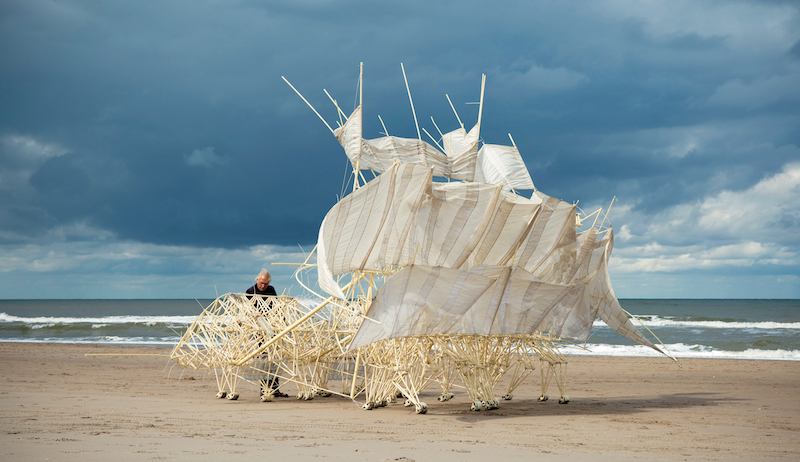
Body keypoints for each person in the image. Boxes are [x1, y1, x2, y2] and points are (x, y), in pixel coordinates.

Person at [245, 269, 288, 398]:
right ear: (257, 279)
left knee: (274, 359)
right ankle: (264, 389)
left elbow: (275, 306)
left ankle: (275, 389)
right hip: (259, 329)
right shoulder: (250, 292)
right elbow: (248, 311)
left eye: (265, 284)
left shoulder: (271, 290)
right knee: (264, 360)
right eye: (261, 283)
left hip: (271, 328)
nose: (263, 286)